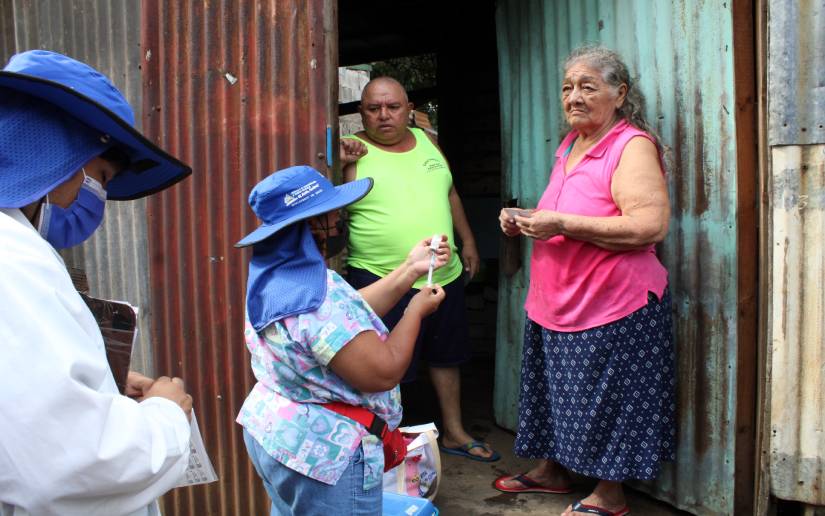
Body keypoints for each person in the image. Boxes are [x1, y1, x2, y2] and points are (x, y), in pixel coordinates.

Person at [0, 50, 195, 515]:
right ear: (56, 153)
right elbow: (66, 464)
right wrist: (165, 415)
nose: (98, 198)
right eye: (101, 178)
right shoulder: (14, 263)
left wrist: (101, 389)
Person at [493, 46, 675, 516]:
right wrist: (525, 218)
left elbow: (649, 226)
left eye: (587, 87)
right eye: (568, 87)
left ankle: (609, 495)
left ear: (620, 93)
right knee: (557, 394)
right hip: (556, 302)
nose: (574, 97)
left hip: (614, 304)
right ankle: (553, 471)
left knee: (611, 402)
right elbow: (569, 210)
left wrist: (561, 224)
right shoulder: (571, 145)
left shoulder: (630, 146)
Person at [235, 165, 449, 515]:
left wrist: (409, 269)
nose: (338, 219)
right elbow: (383, 372)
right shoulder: (318, 296)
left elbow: (343, 320)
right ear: (308, 226)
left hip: (277, 434)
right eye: (329, 213)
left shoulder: (278, 276)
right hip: (324, 455)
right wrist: (415, 311)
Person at [339, 76, 499, 462]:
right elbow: (327, 208)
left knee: (447, 353)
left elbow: (449, 192)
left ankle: (454, 432)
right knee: (386, 363)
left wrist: (468, 241)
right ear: (361, 112)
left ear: (409, 109)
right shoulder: (350, 151)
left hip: (442, 272)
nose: (384, 115)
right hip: (380, 278)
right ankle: (389, 441)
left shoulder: (428, 141)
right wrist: (337, 163)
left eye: (393, 107)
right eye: (374, 108)